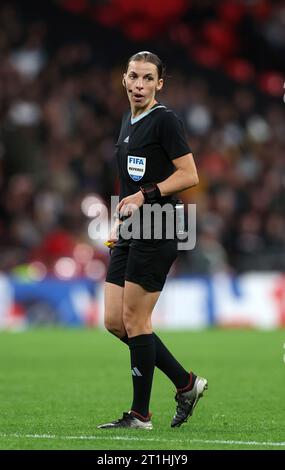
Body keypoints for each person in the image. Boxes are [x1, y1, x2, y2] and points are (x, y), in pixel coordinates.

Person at [98, 51, 207, 430]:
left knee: (136, 319)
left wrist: (145, 195)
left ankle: (140, 415)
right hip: (132, 225)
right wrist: (120, 216)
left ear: (159, 83)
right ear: (124, 80)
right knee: (115, 321)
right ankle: (186, 383)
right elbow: (129, 180)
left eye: (148, 78)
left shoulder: (166, 121)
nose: (139, 85)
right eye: (133, 77)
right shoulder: (128, 118)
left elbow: (189, 174)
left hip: (161, 223)